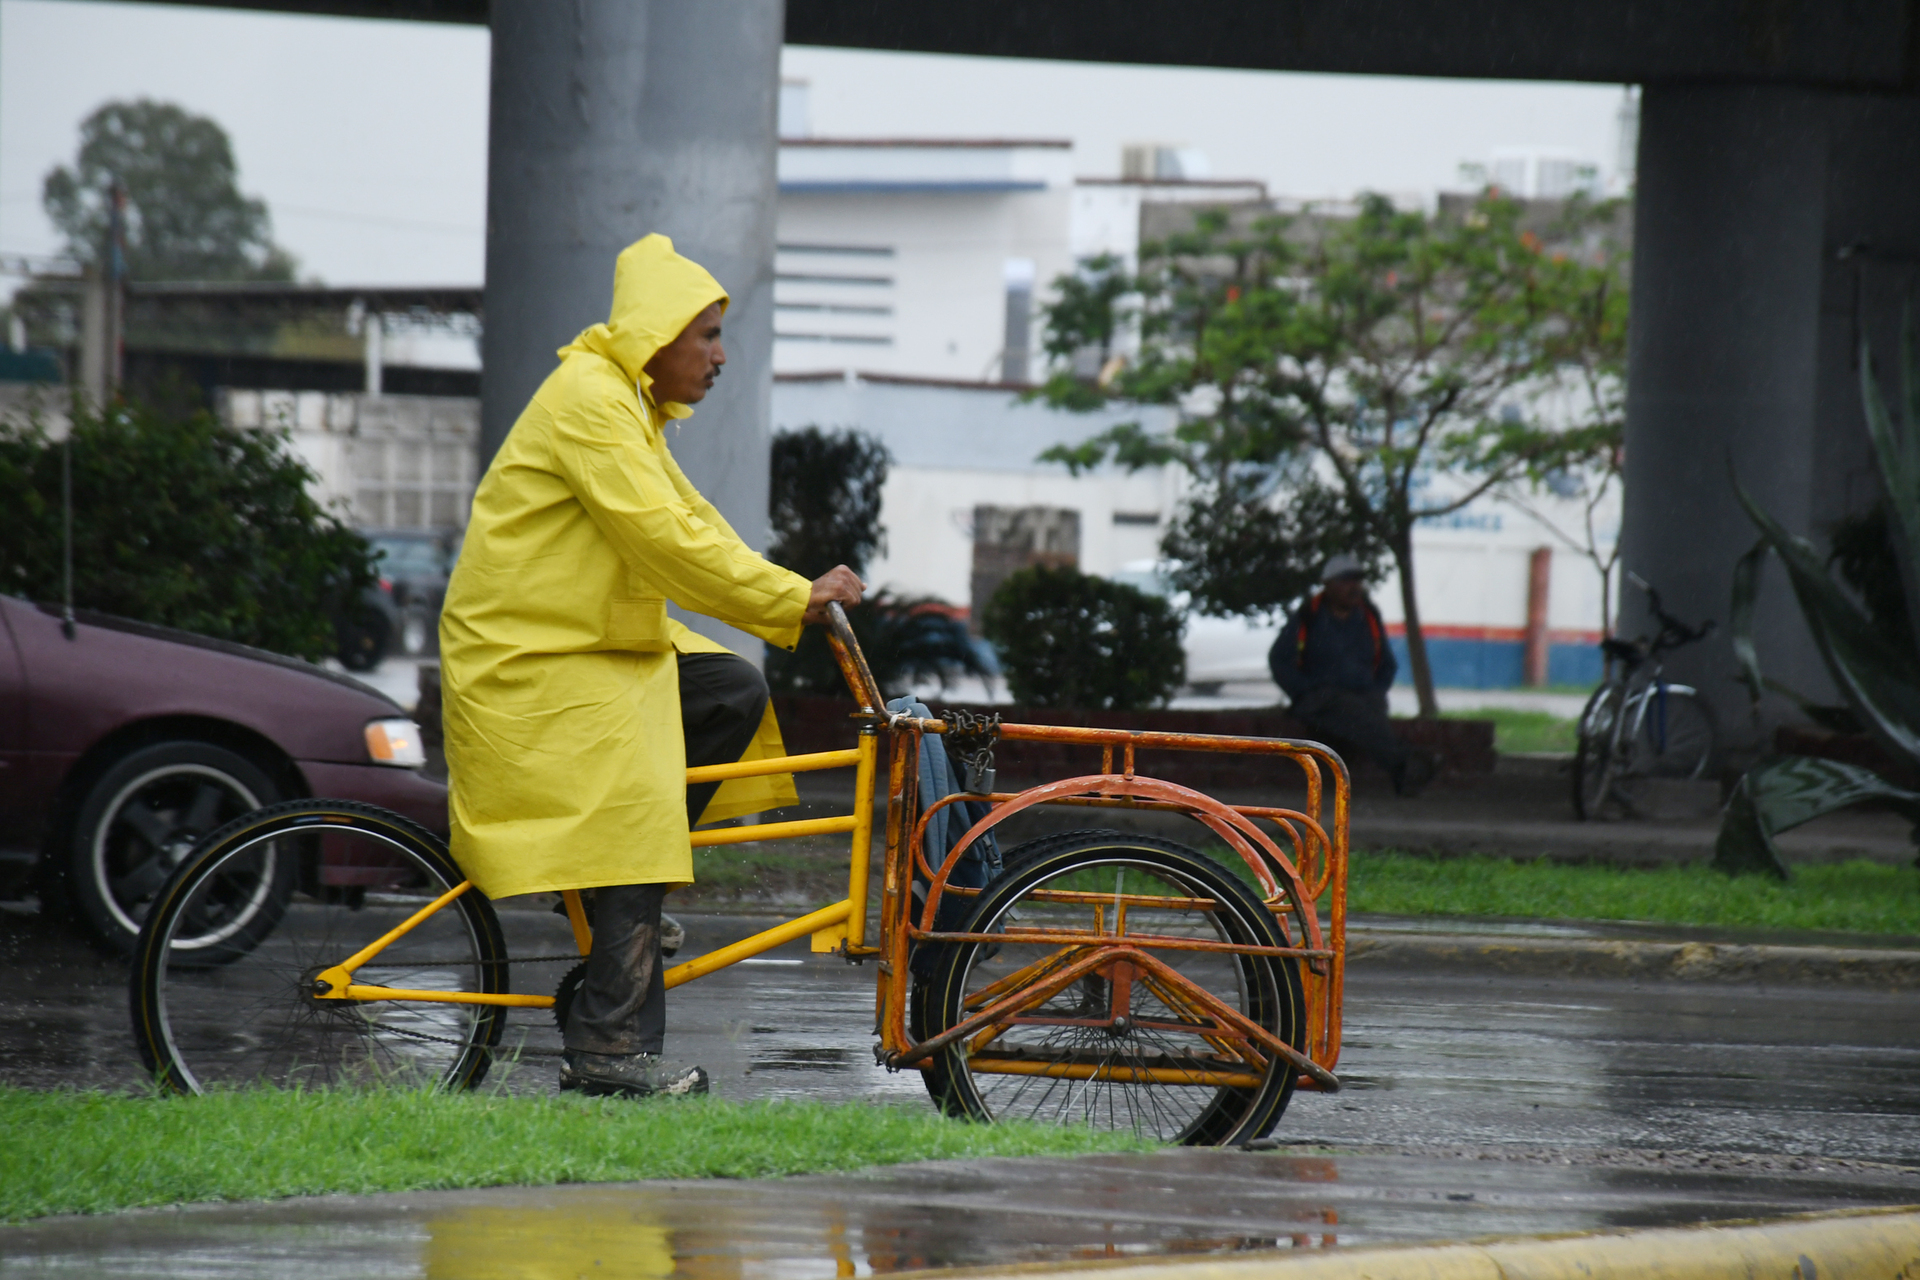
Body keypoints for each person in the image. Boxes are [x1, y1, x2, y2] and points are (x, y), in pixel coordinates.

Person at [439, 234, 864, 1099]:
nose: (719, 354)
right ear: (655, 336)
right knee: (638, 814)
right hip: (533, 659)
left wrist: (791, 595)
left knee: (731, 691)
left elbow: (694, 522)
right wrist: (790, 601)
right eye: (705, 334)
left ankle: (622, 910)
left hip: (587, 648)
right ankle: (607, 1049)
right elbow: (666, 545)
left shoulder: (626, 404)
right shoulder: (592, 403)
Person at [1268, 554, 1435, 797]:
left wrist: (1376, 689)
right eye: (1346, 580)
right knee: (1353, 710)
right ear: (1328, 585)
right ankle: (1406, 763)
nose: (1353, 587)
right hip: (1319, 699)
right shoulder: (1309, 616)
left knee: (1364, 712)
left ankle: (1403, 767)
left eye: (1357, 580)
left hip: (1363, 697)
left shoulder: (1368, 617)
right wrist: (1303, 689)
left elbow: (1387, 663)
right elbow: (1279, 660)